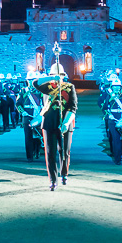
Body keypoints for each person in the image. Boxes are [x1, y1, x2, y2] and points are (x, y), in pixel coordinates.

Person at [33, 62, 78, 191]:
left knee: (64, 152)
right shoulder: (47, 87)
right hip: (49, 123)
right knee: (50, 153)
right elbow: (35, 83)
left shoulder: (69, 87)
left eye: (59, 75)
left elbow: (73, 107)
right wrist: (50, 78)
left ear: (63, 75)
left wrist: (66, 123)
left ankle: (64, 174)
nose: (57, 77)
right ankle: (53, 180)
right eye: (54, 75)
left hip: (64, 124)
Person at [103, 77, 122, 165]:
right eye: (114, 86)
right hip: (113, 120)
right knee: (115, 139)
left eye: (118, 86)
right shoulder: (109, 96)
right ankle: (117, 158)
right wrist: (109, 115)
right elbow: (105, 107)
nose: (116, 88)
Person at [19, 71, 43, 161]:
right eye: (29, 80)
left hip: (38, 115)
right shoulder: (23, 91)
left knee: (38, 135)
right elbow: (18, 103)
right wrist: (22, 112)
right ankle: (29, 156)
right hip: (27, 116)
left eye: (33, 80)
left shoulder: (41, 91)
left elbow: (44, 103)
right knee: (28, 137)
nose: (31, 82)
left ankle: (37, 151)